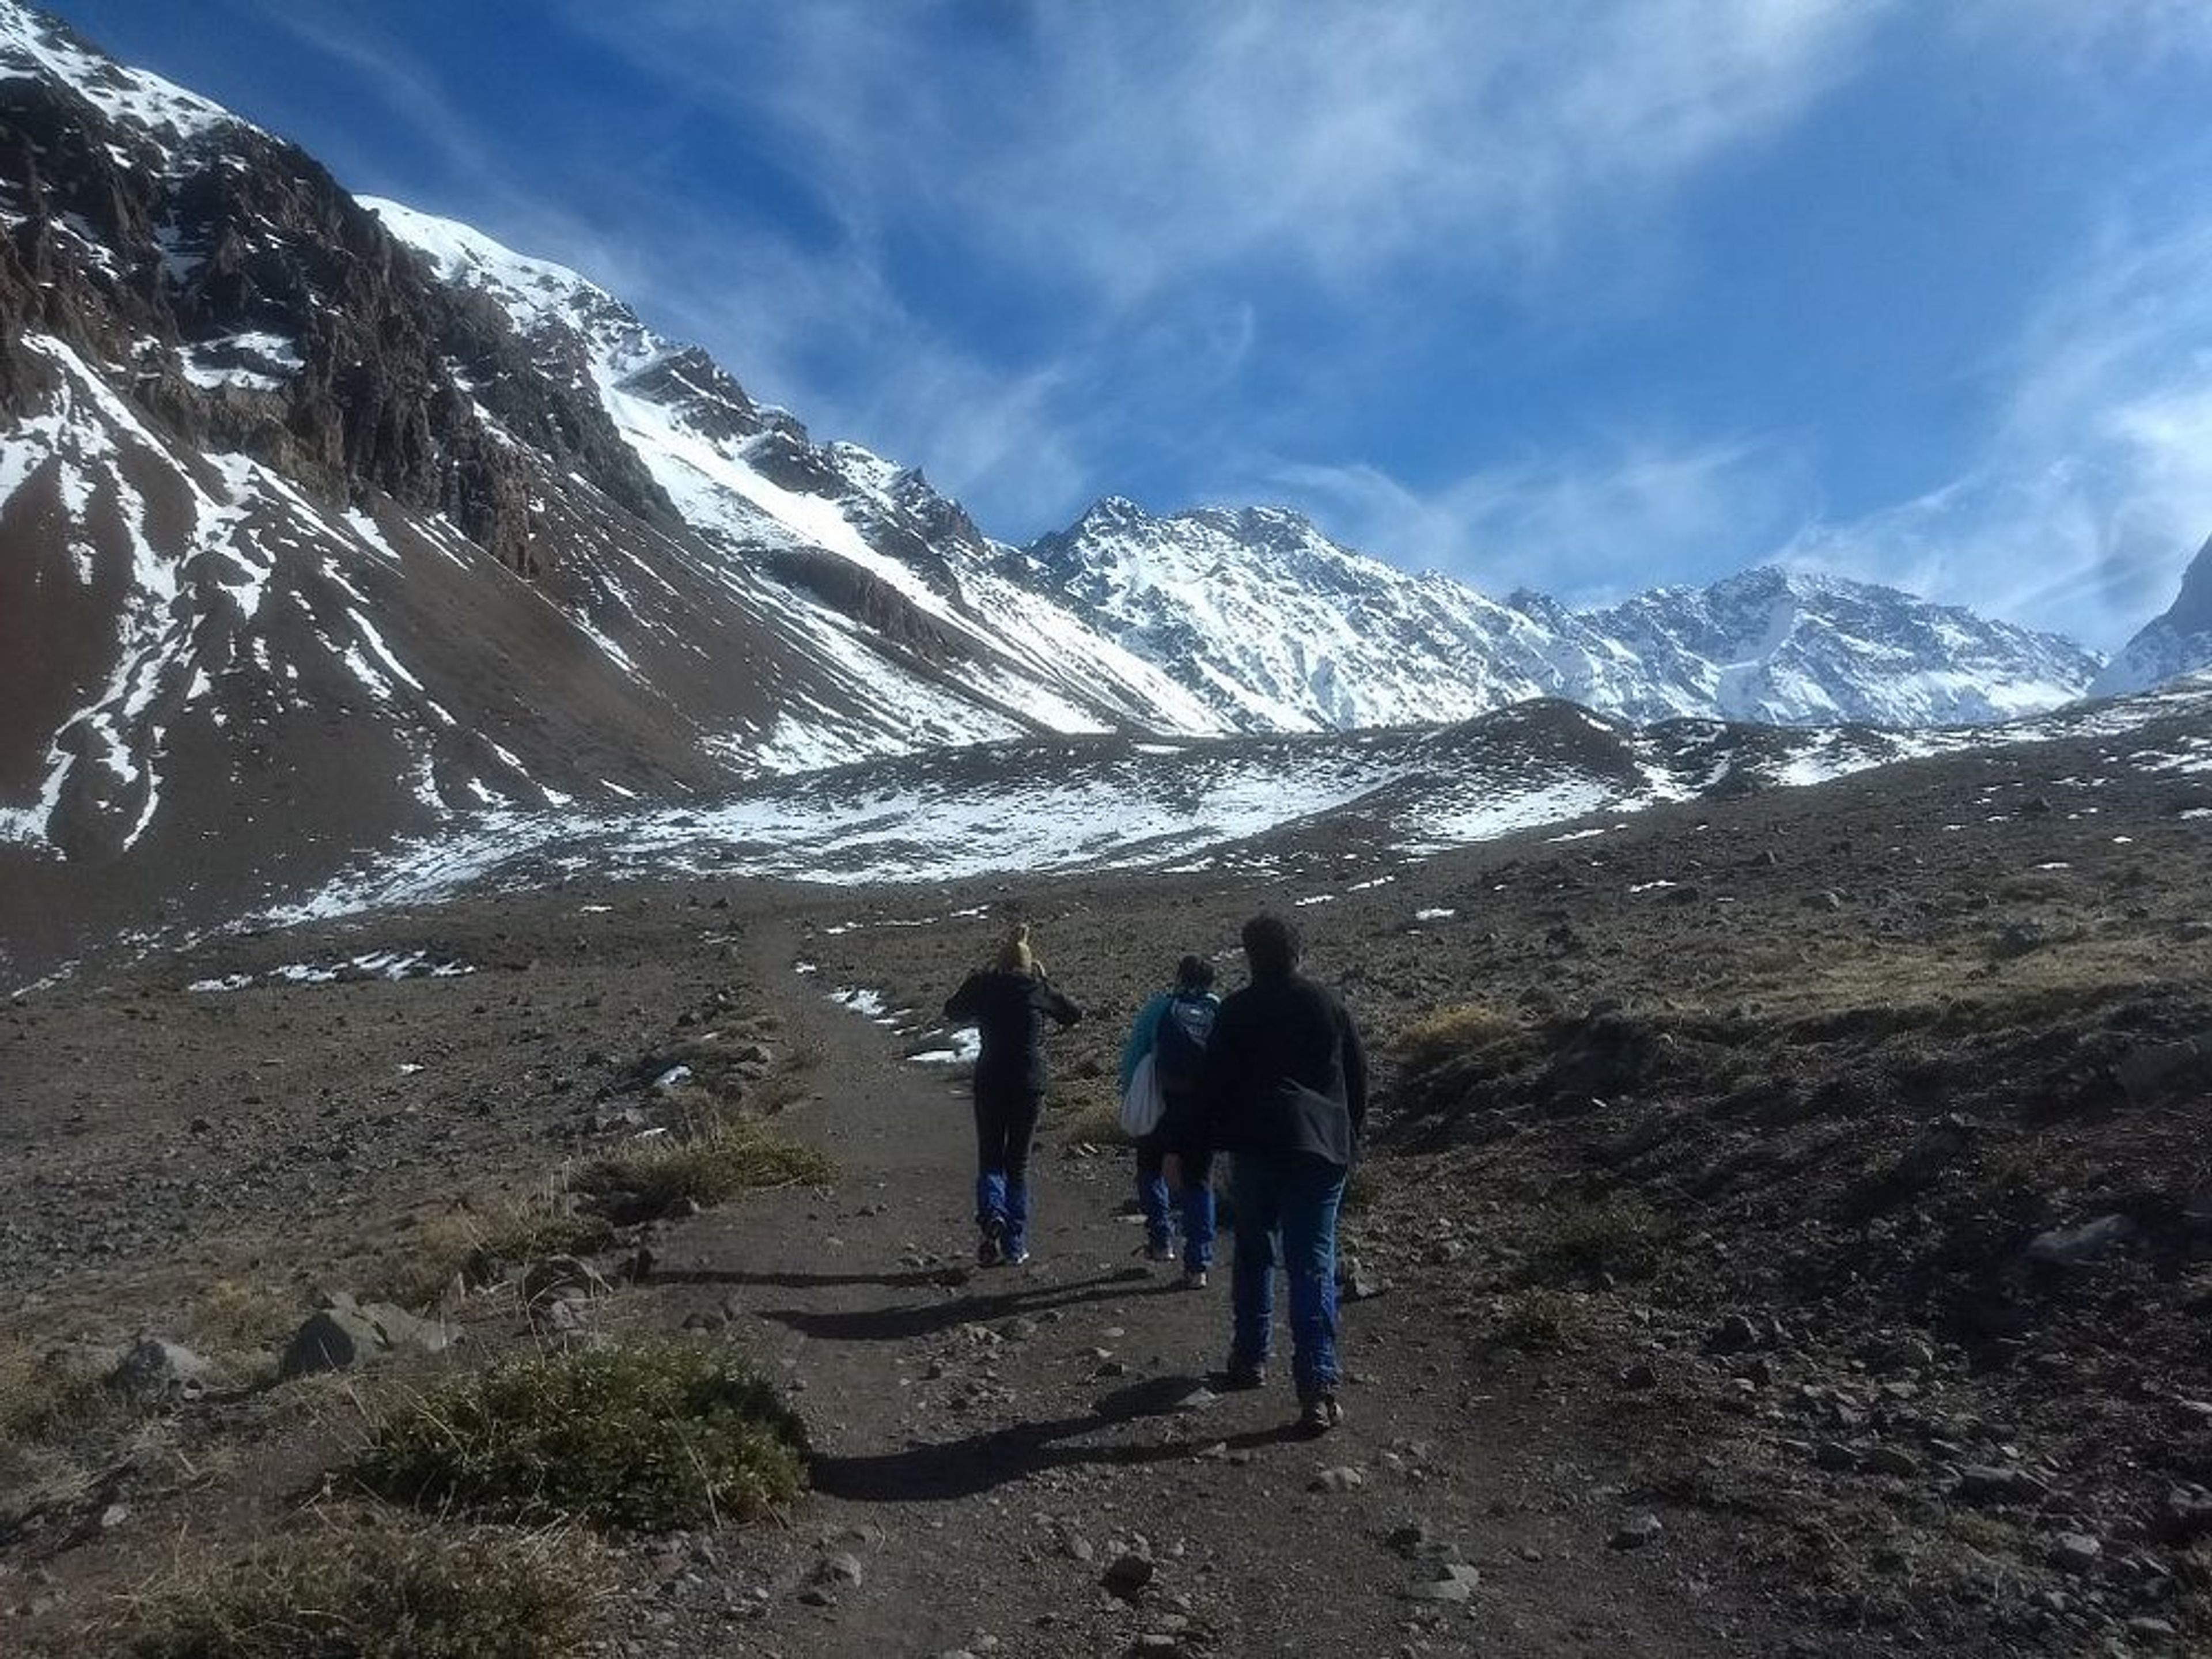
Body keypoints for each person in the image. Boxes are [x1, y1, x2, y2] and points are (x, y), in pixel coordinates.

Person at [1192, 912, 1368, 1435]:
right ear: (1297, 952)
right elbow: (1357, 1077)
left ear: (1250, 957)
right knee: (1312, 1260)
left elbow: (1213, 1085)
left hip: (1257, 1147)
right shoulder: (1327, 1003)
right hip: (1320, 1147)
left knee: (1253, 1251)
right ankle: (1317, 1386)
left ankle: (1250, 1357)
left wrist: (1205, 1143)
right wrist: (1350, 1139)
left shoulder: (1237, 1011)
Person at [944, 922, 1081, 1267]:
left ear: (1000, 963)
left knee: (990, 1157)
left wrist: (978, 978)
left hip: (990, 1079)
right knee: (1017, 1164)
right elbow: (1073, 1015)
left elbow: (952, 1011)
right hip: (1029, 1084)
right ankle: (1015, 1244)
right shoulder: (1036, 989)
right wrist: (1045, 982)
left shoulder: (985, 987)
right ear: (1028, 963)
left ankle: (992, 1214)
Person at [1119, 954, 1221, 1287]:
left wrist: (1131, 1095)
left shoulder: (1159, 1008)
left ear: (1179, 976)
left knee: (1150, 1170)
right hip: (1203, 1110)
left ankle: (1161, 1241)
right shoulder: (1218, 1011)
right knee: (1200, 1182)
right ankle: (1198, 1265)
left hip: (1161, 1104)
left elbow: (1134, 1056)